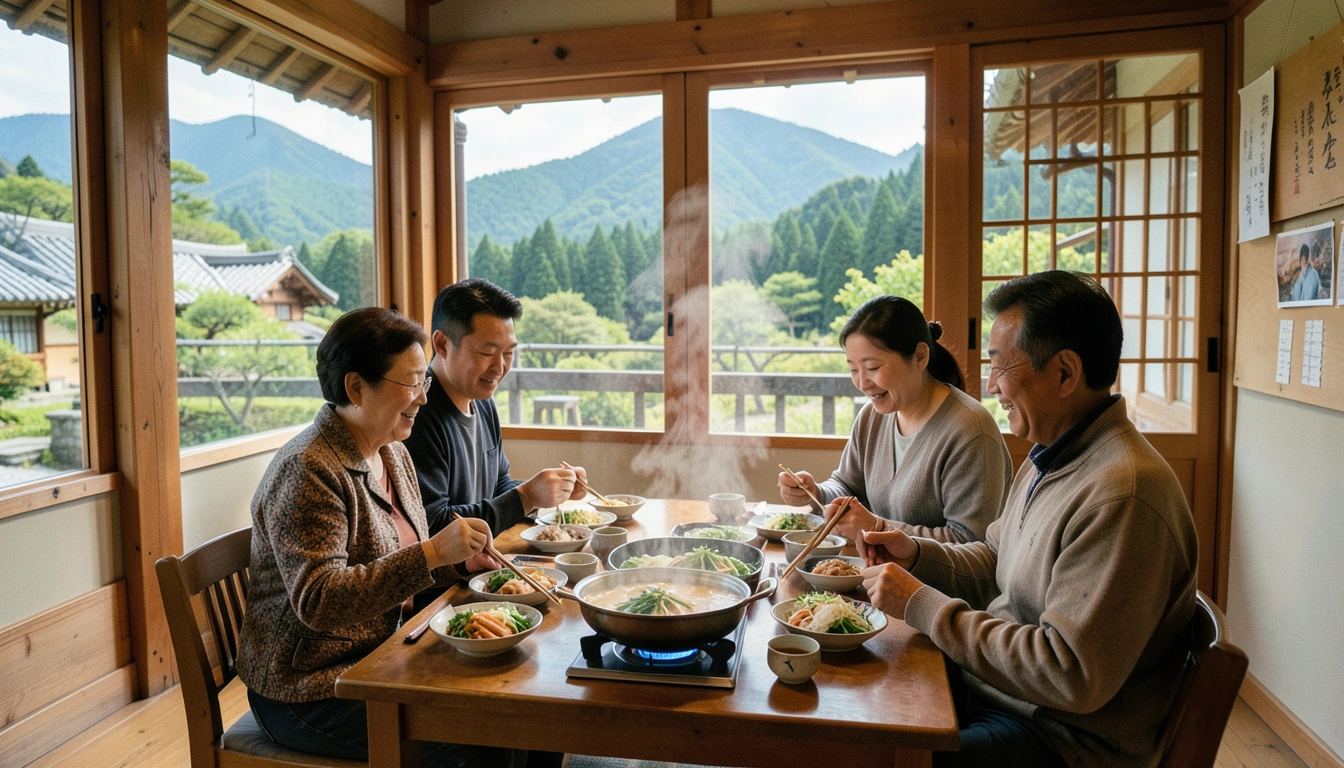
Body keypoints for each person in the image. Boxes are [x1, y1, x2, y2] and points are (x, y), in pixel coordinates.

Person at [852, 271, 1198, 768]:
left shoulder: (1123, 491)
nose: (990, 385)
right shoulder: (1049, 457)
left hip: (1056, 739)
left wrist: (924, 605)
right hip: (999, 694)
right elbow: (996, 559)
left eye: (999, 366)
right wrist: (917, 555)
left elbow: (1068, 671)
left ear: (1064, 373)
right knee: (860, 706)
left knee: (865, 753)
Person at [237, 307, 509, 766]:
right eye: (411, 383)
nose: (423, 398)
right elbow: (320, 602)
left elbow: (403, 561)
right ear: (356, 387)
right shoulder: (308, 470)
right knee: (478, 737)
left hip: (383, 655)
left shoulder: (393, 452)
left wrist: (458, 563)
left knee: (510, 706)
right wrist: (431, 553)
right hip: (310, 688)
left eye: (425, 382)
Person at [778, 295, 1011, 544]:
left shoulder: (970, 430)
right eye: (853, 370)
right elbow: (847, 486)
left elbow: (970, 541)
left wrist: (877, 527)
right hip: (875, 573)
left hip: (932, 583)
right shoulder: (872, 417)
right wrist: (817, 493)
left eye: (873, 368)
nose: (862, 383)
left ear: (920, 357)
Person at [402, 279, 589, 537]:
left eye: (509, 353)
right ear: (443, 344)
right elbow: (434, 525)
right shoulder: (415, 414)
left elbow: (498, 487)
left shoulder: (483, 402)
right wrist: (526, 496)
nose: (500, 367)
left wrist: (549, 491)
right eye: (487, 352)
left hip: (487, 561)